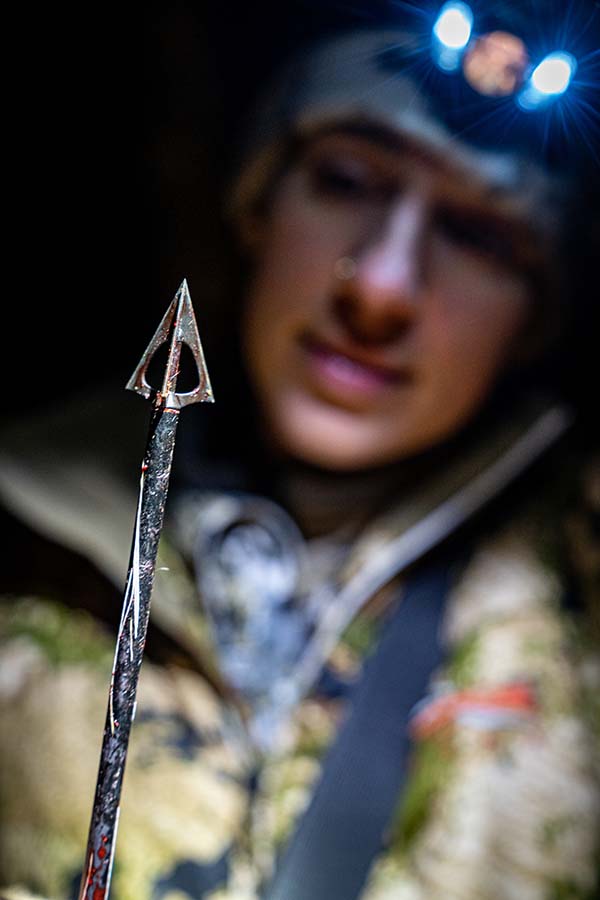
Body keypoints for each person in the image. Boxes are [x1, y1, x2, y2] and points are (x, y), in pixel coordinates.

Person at [1, 7, 599, 900]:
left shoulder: (578, 592)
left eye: (479, 236)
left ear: (534, 320)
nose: (384, 289)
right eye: (348, 180)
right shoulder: (21, 535)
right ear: (257, 206)